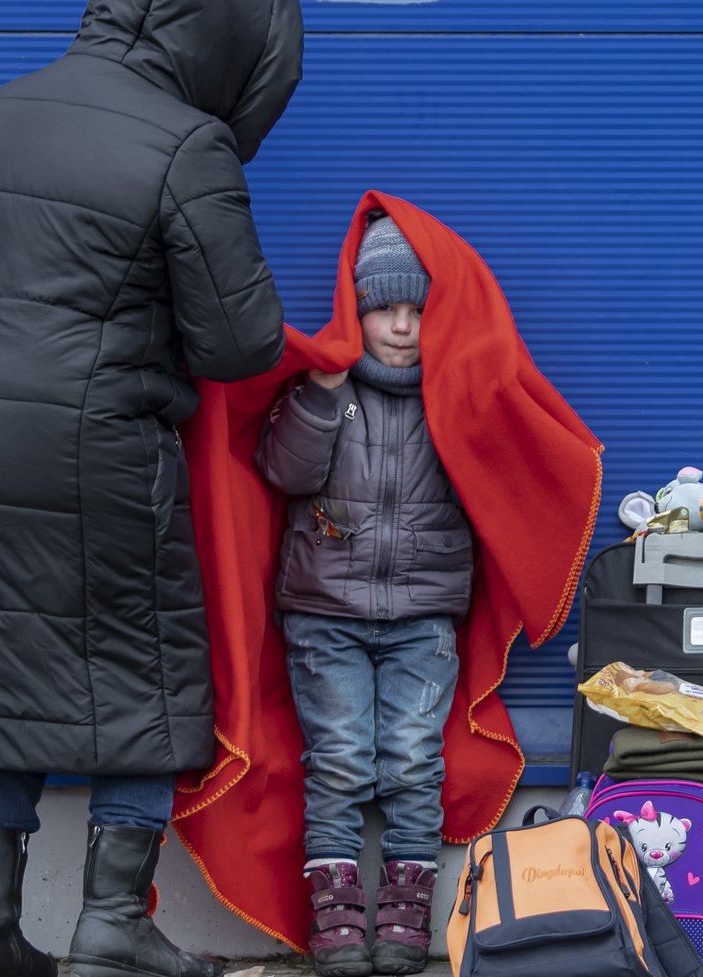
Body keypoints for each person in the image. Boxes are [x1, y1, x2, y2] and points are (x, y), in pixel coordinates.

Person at [0, 0, 300, 977]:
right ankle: (111, 920)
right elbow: (239, 342)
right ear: (227, 41)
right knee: (141, 658)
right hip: (81, 433)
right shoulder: (183, 142)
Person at [256, 213, 470, 977]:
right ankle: (338, 911)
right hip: (326, 612)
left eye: (417, 309)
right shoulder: (328, 387)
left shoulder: (455, 393)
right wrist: (320, 390)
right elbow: (285, 472)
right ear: (357, 309)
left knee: (413, 760)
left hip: (424, 613)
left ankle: (407, 910)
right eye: (384, 308)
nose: (403, 326)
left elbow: (501, 479)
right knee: (341, 759)